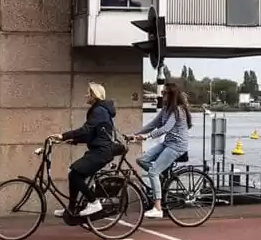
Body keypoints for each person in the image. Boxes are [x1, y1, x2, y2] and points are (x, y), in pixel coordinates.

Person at [48, 82, 117, 218]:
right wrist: (74, 140)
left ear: (94, 95)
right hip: (99, 150)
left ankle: (94, 202)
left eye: (88, 93)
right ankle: (71, 209)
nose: (86, 95)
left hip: (101, 152)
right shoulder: (99, 110)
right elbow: (91, 134)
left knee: (75, 175)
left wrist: (64, 136)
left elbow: (86, 129)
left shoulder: (99, 111)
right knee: (74, 174)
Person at [130, 82, 192, 219]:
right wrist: (135, 134)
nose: (161, 95)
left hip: (177, 146)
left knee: (153, 172)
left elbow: (165, 128)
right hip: (167, 143)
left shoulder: (178, 110)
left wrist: (146, 137)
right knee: (142, 160)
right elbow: (153, 124)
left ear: (171, 95)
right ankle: (159, 178)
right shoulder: (166, 109)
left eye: (164, 93)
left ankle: (158, 208)